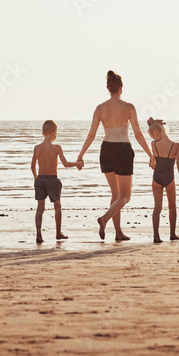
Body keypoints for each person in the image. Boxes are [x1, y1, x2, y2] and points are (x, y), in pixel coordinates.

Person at [76, 71, 154, 241]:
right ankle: (104, 218)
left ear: (107, 88)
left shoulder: (100, 108)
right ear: (121, 87)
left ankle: (118, 233)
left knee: (116, 194)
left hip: (106, 151)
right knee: (125, 197)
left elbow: (91, 135)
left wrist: (80, 156)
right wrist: (151, 155)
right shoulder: (128, 107)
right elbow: (138, 134)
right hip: (122, 150)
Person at [32, 120, 82, 244]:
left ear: (43, 133)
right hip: (52, 180)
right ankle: (58, 233)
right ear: (54, 133)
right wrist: (77, 164)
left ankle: (38, 234)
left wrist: (36, 178)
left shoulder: (37, 148)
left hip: (40, 179)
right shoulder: (56, 148)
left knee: (40, 208)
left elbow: (32, 166)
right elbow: (65, 164)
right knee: (57, 206)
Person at [147, 117, 179, 243]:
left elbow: (153, 164)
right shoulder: (176, 146)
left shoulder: (153, 145)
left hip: (156, 178)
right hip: (169, 178)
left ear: (158, 133)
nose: (153, 138)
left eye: (153, 135)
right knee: (172, 206)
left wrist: (152, 163)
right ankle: (172, 234)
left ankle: (156, 236)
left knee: (157, 207)